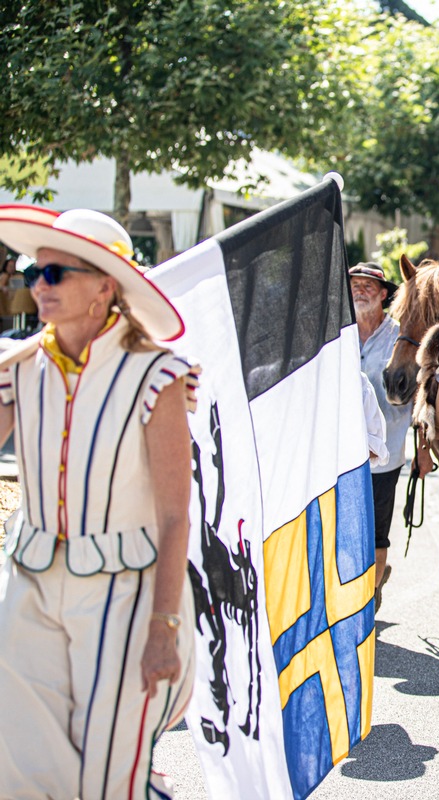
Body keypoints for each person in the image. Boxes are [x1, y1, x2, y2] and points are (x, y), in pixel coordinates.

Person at [0, 207, 197, 798]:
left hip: (127, 594)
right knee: (21, 769)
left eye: (57, 274)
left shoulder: (158, 375)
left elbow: (173, 515)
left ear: (104, 288)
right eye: (36, 272)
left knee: (108, 777)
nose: (39, 285)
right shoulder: (17, 368)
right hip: (29, 588)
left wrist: (164, 626)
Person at [350, 261, 411, 611]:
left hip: (384, 451)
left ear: (383, 293)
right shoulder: (339, 333)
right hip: (342, 452)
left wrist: (423, 450)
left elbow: (417, 394)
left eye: (367, 285)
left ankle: (371, 592)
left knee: (375, 530)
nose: (360, 290)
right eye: (355, 284)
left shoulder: (399, 337)